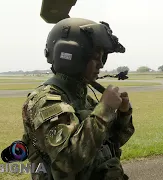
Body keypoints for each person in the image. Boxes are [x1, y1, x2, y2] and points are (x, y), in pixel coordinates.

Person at [21, 18, 135, 180]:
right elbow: (67, 160)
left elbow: (111, 143)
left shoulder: (84, 99)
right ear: (72, 57)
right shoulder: (46, 101)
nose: (100, 65)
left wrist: (123, 114)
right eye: (95, 57)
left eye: (102, 58)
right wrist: (105, 110)